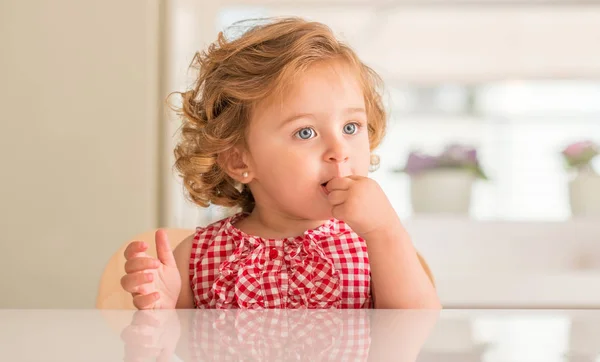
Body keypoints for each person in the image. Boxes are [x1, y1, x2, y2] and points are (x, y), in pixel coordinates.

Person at [120, 17, 441, 310]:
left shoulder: (375, 245)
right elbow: (181, 351)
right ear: (238, 159)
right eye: (305, 132)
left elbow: (414, 329)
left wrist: (385, 232)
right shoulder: (194, 258)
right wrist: (162, 316)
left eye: (350, 127)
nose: (339, 149)